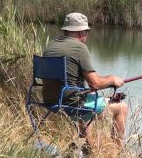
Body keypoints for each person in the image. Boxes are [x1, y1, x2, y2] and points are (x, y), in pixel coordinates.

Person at [42, 12, 128, 150]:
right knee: (121, 107)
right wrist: (112, 79)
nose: (87, 35)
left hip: (50, 101)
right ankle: (118, 151)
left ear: (65, 30)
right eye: (87, 31)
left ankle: (87, 146)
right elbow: (95, 84)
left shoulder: (51, 46)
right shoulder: (79, 48)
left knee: (87, 97)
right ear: (82, 31)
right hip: (71, 104)